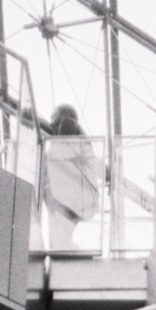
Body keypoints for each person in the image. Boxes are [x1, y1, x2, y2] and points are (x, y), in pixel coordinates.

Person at [40, 103, 101, 253]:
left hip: (70, 196)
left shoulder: (70, 126)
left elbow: (59, 135)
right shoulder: (77, 137)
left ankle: (65, 252)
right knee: (59, 231)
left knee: (59, 230)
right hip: (72, 195)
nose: (52, 123)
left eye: (54, 119)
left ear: (64, 116)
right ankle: (67, 250)